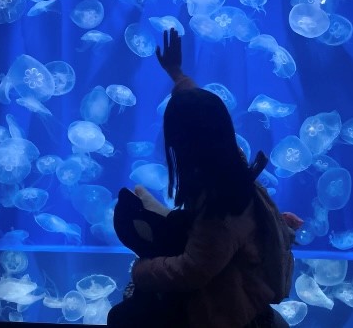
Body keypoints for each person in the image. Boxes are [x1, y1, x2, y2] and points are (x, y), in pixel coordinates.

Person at [107, 29, 303, 327]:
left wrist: (142, 271)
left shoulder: (219, 210)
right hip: (233, 282)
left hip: (227, 311)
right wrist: (177, 75)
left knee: (124, 317)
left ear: (180, 147)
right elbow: (204, 121)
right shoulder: (230, 165)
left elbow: (192, 270)